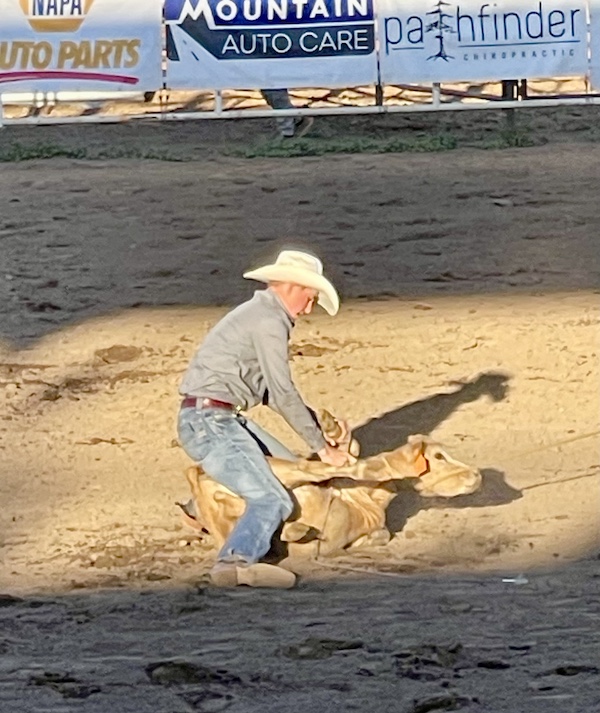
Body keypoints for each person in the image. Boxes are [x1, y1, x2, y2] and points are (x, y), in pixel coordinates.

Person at [177, 249, 354, 589]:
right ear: (290, 286)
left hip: (216, 417)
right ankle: (235, 561)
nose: (309, 307)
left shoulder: (260, 315)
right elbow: (283, 391)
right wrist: (322, 447)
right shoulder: (269, 321)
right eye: (309, 297)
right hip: (211, 420)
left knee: (294, 471)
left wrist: (319, 430)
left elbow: (271, 394)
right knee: (272, 498)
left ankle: (199, 509)